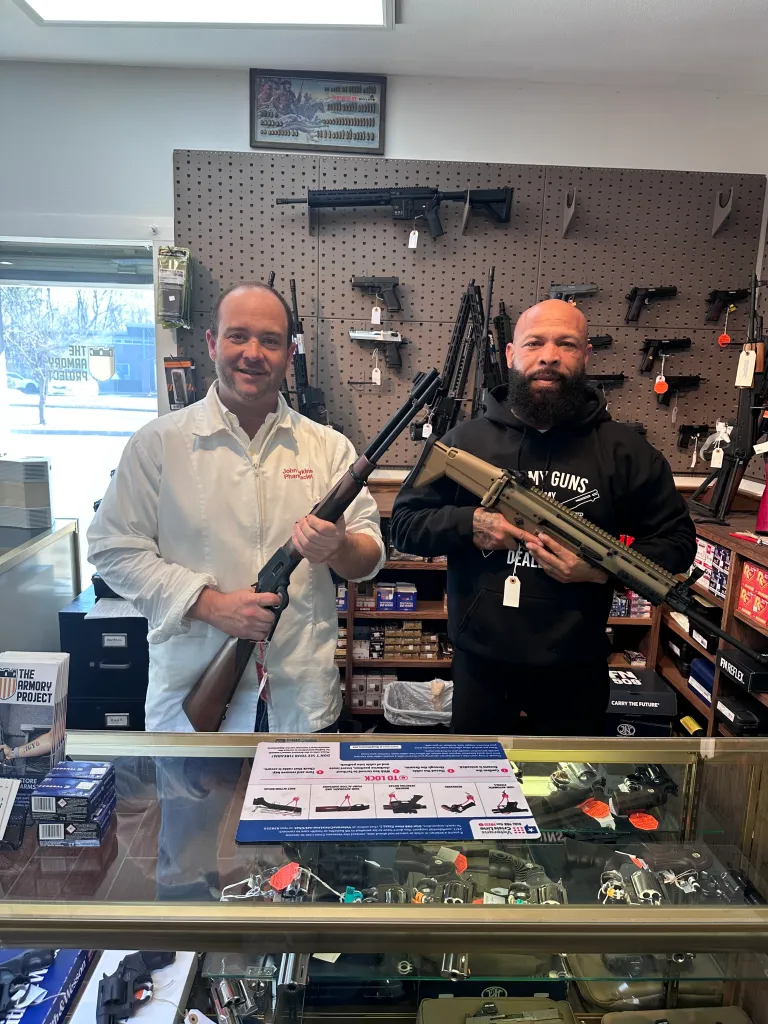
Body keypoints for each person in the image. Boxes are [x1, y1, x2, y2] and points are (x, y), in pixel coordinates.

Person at [390, 299, 696, 736]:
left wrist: (598, 572)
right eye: (535, 342)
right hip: (480, 666)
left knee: (573, 794)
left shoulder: (624, 451)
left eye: (566, 344)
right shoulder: (464, 441)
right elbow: (405, 525)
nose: (549, 355)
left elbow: (678, 542)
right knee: (475, 788)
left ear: (586, 356)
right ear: (512, 354)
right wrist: (471, 525)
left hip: (576, 668)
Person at [88, 282, 384, 734]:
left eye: (269, 341)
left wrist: (339, 547)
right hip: (190, 707)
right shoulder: (158, 443)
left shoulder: (328, 447)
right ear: (212, 343)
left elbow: (369, 558)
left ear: (289, 354)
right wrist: (208, 604)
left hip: (301, 705)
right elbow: (112, 550)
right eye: (237, 336)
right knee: (198, 807)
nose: (253, 353)